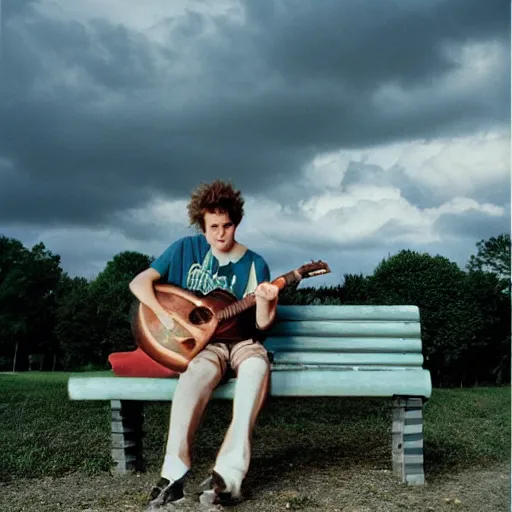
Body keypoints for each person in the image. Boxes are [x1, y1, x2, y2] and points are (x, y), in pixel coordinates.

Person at [128, 180, 278, 507]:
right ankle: (174, 475)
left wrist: (268, 300)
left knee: (255, 367)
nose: (220, 234)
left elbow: (263, 325)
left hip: (243, 341)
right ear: (202, 225)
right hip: (204, 345)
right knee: (193, 375)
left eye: (227, 226)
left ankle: (228, 476)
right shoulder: (184, 249)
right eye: (213, 227)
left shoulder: (255, 263)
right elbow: (139, 283)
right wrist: (164, 316)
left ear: (236, 223)